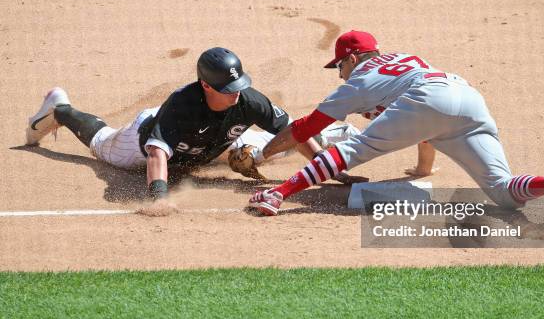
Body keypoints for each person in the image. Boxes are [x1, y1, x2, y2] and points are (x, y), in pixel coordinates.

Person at [247, 30, 544, 216]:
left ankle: (276, 195)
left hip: (431, 99)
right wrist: (423, 170)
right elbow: (427, 122)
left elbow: (306, 128)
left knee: (355, 148)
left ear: (351, 59)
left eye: (339, 66)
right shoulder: (407, 61)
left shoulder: (358, 83)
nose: (339, 73)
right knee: (503, 193)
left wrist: (262, 155)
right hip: (468, 98)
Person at [25, 47, 360, 214]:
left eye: (239, 85)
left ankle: (334, 137)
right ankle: (60, 109)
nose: (237, 93)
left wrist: (326, 168)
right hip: (142, 143)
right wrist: (159, 199)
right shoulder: (181, 107)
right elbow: (157, 153)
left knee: (260, 147)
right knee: (100, 144)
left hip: (215, 141)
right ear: (205, 86)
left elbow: (291, 130)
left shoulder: (249, 101)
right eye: (228, 89)